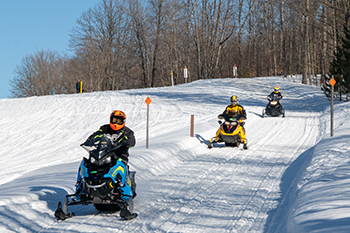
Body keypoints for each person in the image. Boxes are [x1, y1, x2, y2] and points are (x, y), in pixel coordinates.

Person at [74, 110, 136, 199]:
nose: (115, 123)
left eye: (118, 121)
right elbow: (95, 135)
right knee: (85, 163)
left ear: (123, 121)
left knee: (120, 164)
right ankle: (80, 187)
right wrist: (88, 141)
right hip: (103, 154)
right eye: (114, 120)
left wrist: (125, 142)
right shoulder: (105, 128)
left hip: (119, 155)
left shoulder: (127, 131)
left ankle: (124, 189)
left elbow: (132, 142)